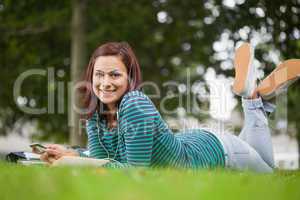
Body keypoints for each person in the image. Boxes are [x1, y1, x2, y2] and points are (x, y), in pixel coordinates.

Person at [33, 42, 300, 172]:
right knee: (259, 131)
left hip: (219, 153)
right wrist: (72, 154)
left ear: (130, 77)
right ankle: (253, 98)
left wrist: (74, 164)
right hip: (195, 142)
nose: (105, 83)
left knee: (269, 176)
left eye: (114, 75)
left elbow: (136, 171)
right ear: (91, 76)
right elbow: (108, 162)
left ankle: (251, 101)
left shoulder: (134, 104)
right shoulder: (96, 114)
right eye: (99, 75)